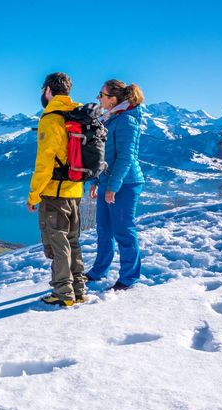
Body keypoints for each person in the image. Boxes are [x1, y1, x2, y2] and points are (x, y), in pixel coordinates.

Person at [27, 72, 86, 307]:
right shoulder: (78, 114)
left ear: (48, 91)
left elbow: (44, 163)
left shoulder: (51, 119)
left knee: (58, 242)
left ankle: (63, 293)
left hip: (54, 192)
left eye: (43, 90)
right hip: (75, 191)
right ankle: (79, 289)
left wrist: (34, 195)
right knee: (72, 241)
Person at [86, 79, 145, 290]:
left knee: (123, 230)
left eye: (101, 95)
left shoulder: (127, 121)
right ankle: (98, 271)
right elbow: (102, 155)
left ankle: (129, 278)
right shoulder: (110, 118)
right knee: (103, 229)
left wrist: (113, 187)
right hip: (107, 181)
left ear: (112, 99)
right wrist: (95, 180)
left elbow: (126, 157)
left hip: (125, 183)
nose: (98, 98)